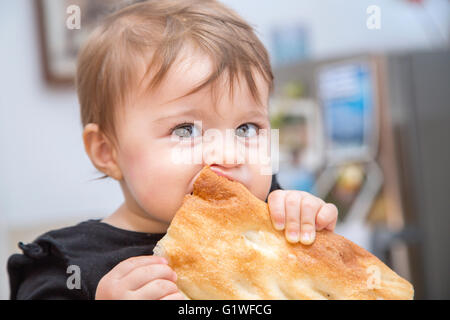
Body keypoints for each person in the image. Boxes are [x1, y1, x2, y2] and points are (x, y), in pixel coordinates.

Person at [8, 0, 338, 300]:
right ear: (107, 152)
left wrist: (310, 241)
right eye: (185, 130)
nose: (228, 155)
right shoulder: (65, 268)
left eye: (246, 129)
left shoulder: (273, 222)